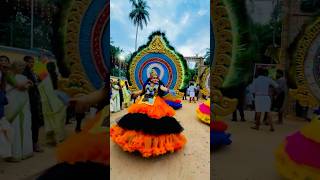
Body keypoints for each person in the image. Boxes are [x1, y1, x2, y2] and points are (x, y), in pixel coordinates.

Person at [110, 68, 186, 157]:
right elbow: (142, 91)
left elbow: (163, 88)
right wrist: (135, 93)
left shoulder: (159, 85)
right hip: (145, 100)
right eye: (153, 77)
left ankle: (153, 143)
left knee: (155, 120)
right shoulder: (147, 84)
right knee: (139, 118)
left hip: (155, 101)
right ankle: (134, 140)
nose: (155, 79)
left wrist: (169, 90)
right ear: (150, 78)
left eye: (156, 78)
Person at [4, 61, 33, 161]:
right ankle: (13, 154)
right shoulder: (8, 75)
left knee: (23, 125)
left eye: (23, 66)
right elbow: (20, 87)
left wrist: (27, 84)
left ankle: (24, 152)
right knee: (13, 126)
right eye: (19, 65)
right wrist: (28, 84)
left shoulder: (22, 77)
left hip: (22, 105)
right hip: (11, 105)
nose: (22, 68)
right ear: (13, 65)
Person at [22, 56, 44, 152]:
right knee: (33, 122)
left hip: (34, 100)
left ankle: (34, 142)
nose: (31, 64)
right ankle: (33, 143)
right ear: (25, 63)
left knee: (35, 121)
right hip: (29, 100)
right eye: (29, 62)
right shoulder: (24, 73)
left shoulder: (32, 72)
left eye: (33, 62)